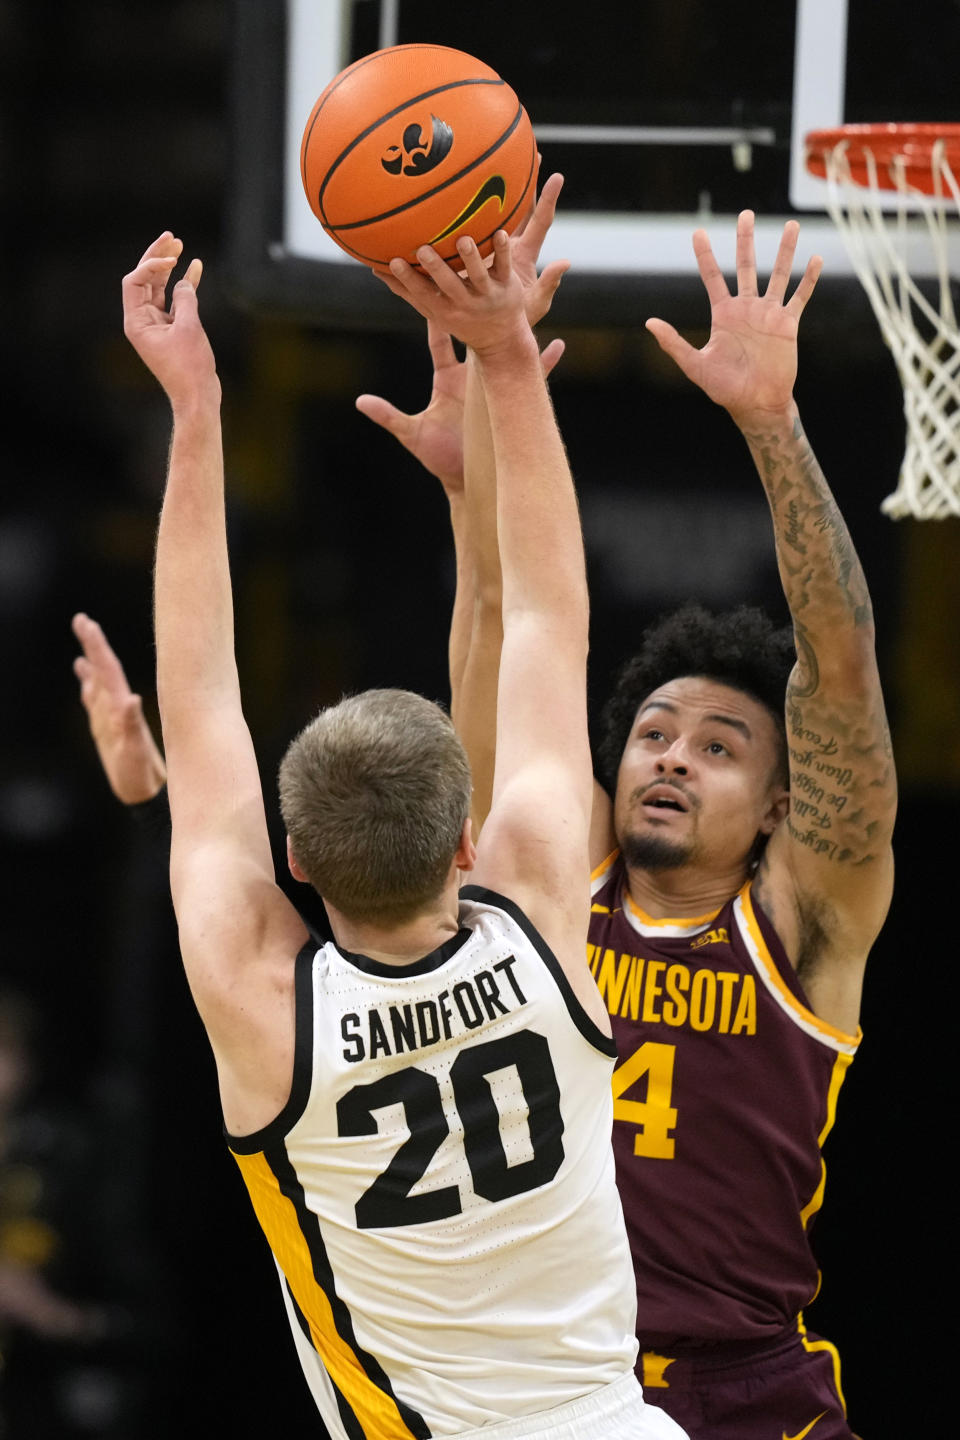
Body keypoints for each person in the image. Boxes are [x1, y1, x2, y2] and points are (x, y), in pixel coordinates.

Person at [114, 203, 688, 1440]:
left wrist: (196, 411)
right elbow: (546, 614)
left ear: (300, 863)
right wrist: (504, 350)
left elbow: (200, 691)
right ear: (467, 841)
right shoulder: (540, 905)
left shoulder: (267, 1004)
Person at [358, 210, 894, 1440]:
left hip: (744, 1385)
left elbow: (843, 669)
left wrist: (770, 421)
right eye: (655, 733)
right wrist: (472, 470)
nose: (671, 757)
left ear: (779, 806)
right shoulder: (558, 883)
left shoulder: (803, 925)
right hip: (542, 1381)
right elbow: (497, 633)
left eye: (719, 749)